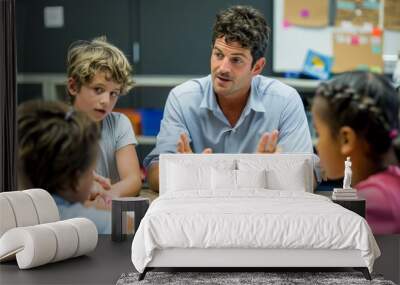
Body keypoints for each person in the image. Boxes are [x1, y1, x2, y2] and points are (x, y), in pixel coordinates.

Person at [144, 5, 314, 191]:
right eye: (218, 55)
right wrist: (191, 172)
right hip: (202, 213)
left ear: (257, 67)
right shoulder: (182, 99)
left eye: (236, 60)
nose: (223, 67)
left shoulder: (285, 101)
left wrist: (266, 172)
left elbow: (308, 178)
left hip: (263, 212)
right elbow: (154, 174)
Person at [312, 71, 400, 234]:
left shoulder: (374, 202)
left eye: (318, 134)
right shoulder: (389, 182)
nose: (317, 146)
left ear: (346, 139)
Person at [17, 100, 112, 234]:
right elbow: (137, 226)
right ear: (76, 178)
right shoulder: (98, 223)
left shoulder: (15, 213)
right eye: (91, 171)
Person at [66, 37, 142, 198]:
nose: (106, 101)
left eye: (114, 93)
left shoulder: (119, 123)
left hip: (107, 212)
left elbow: (134, 180)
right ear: (73, 86)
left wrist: (106, 194)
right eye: (98, 89)